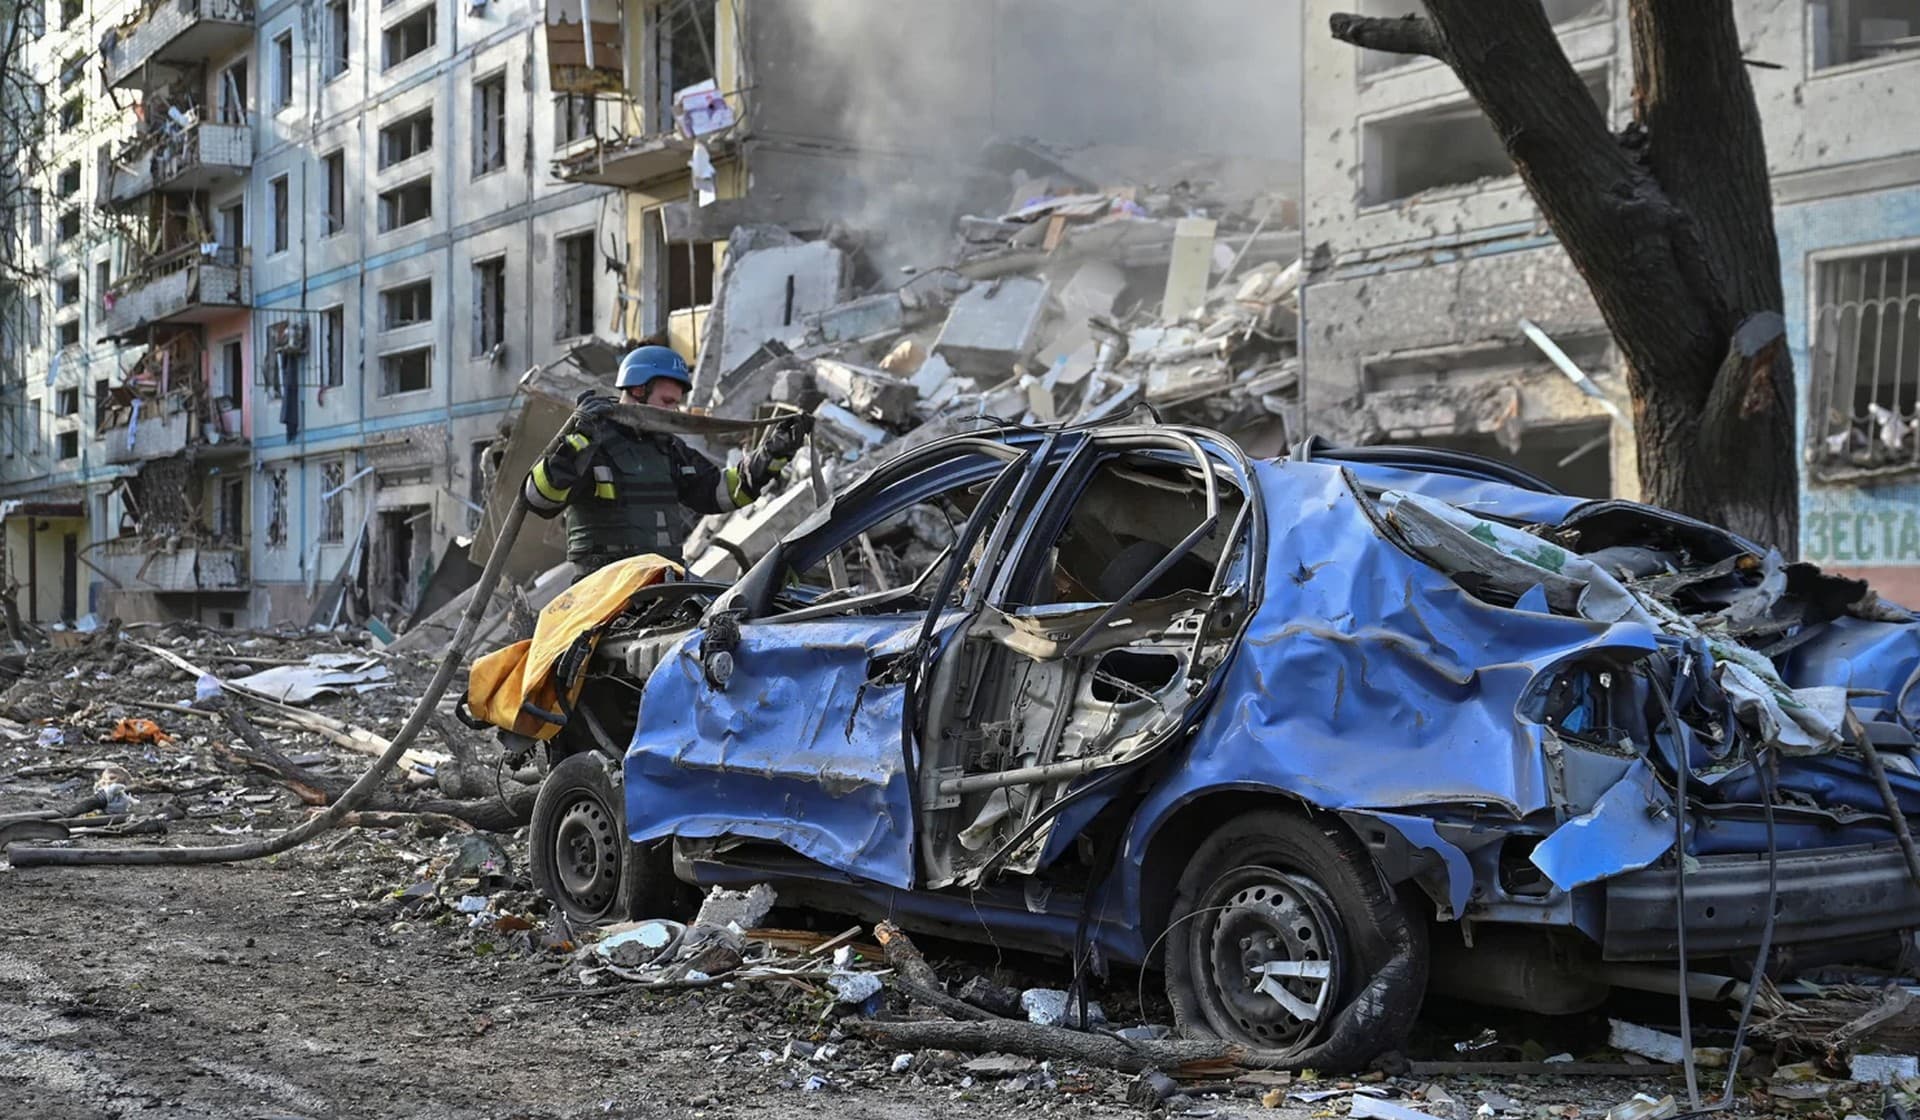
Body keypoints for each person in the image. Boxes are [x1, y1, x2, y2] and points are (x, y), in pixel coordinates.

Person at [523, 345, 811, 579]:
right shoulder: (589, 441)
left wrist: (773, 454)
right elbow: (539, 500)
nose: (674, 411)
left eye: (676, 403)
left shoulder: (669, 450)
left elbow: (720, 492)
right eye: (666, 401)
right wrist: (573, 447)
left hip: (663, 580)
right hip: (602, 587)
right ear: (637, 391)